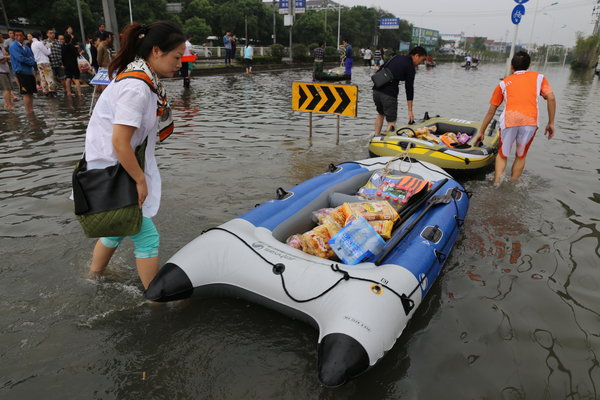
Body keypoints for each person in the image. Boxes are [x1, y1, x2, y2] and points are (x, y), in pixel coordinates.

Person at [83, 21, 185, 289]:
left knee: (117, 226)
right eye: (176, 57)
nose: (180, 63)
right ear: (156, 51)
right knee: (147, 237)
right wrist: (140, 180)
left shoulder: (144, 78)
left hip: (111, 165)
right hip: (114, 167)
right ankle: (156, 301)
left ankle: (93, 277)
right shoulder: (137, 87)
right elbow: (120, 142)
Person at [473, 51, 556, 185]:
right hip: (530, 122)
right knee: (521, 155)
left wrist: (481, 132)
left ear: (512, 67)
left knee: (503, 154)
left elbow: (491, 111)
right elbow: (551, 98)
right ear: (529, 65)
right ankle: (514, 185)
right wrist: (551, 122)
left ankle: (497, 183)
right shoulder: (539, 78)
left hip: (509, 121)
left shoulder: (503, 83)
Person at [372, 46, 427, 136]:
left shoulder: (396, 57)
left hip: (376, 90)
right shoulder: (410, 67)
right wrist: (410, 110)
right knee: (391, 122)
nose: (421, 63)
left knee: (380, 114)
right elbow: (409, 89)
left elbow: (381, 68)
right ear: (416, 56)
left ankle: (375, 136)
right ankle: (386, 144)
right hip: (389, 94)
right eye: (422, 60)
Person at [8, 29, 36, 114]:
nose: (19, 37)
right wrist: (31, 62)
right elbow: (20, 58)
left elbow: (32, 56)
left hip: (29, 71)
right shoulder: (13, 46)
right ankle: (28, 111)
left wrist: (31, 61)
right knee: (26, 93)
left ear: (24, 36)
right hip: (21, 71)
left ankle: (31, 110)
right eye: (16, 35)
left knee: (30, 92)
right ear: (14, 36)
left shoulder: (26, 47)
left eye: (20, 35)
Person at [31, 31, 58, 97]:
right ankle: (52, 91)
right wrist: (49, 48)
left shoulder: (32, 44)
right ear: (39, 36)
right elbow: (47, 53)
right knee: (49, 77)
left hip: (39, 63)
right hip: (45, 62)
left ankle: (45, 91)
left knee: (43, 78)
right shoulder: (39, 43)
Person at [45, 29, 67, 94]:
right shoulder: (44, 43)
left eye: (53, 33)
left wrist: (63, 63)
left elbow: (63, 53)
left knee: (62, 78)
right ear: (47, 34)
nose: (52, 34)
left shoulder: (59, 42)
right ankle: (53, 91)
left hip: (59, 64)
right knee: (52, 79)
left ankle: (66, 90)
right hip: (50, 64)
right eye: (50, 33)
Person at [0, 34, 15, 109]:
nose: (2, 38)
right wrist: (6, 57)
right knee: (6, 89)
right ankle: (9, 105)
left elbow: (6, 57)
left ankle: (7, 104)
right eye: (1, 37)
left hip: (6, 70)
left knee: (8, 89)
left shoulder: (2, 48)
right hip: (1, 72)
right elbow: (2, 60)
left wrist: (6, 57)